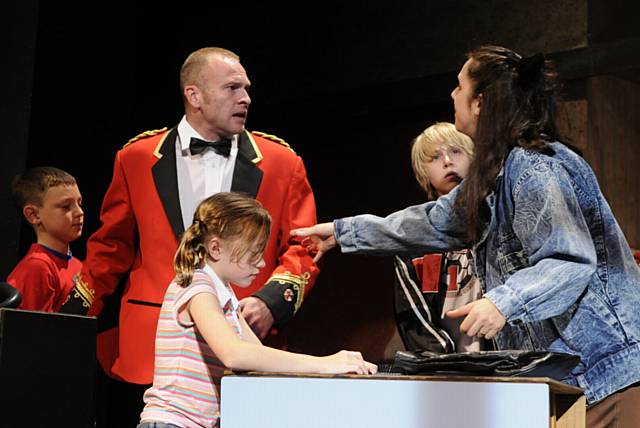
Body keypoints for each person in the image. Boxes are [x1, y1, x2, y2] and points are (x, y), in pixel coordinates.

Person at [293, 45, 640, 426]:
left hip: (609, 374)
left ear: (480, 102)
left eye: (459, 87)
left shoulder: (534, 169)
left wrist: (502, 303)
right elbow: (433, 221)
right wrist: (343, 233)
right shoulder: (495, 175)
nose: (453, 95)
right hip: (572, 381)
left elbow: (569, 260)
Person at [64, 47, 320, 426]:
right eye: (233, 88)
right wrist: (69, 322)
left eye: (246, 88)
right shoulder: (135, 156)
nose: (246, 98)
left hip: (244, 338)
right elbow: (109, 249)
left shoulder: (281, 161)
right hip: (154, 347)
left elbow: (304, 244)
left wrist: (271, 302)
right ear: (193, 95)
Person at [138, 192, 376, 428]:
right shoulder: (197, 287)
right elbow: (235, 354)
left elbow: (256, 356)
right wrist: (325, 363)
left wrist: (335, 367)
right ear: (216, 248)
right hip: (172, 423)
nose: (261, 263)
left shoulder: (223, 292)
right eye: (253, 254)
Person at [392, 122, 485, 353]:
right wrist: (448, 364)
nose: (447, 161)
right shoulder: (414, 243)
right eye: (435, 157)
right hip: (446, 369)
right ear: (423, 173)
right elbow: (414, 317)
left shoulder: (496, 223)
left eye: (456, 151)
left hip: (505, 361)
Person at [7, 166, 84, 312]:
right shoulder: (38, 267)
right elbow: (33, 330)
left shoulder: (78, 266)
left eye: (79, 203)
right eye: (66, 206)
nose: (79, 212)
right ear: (34, 215)